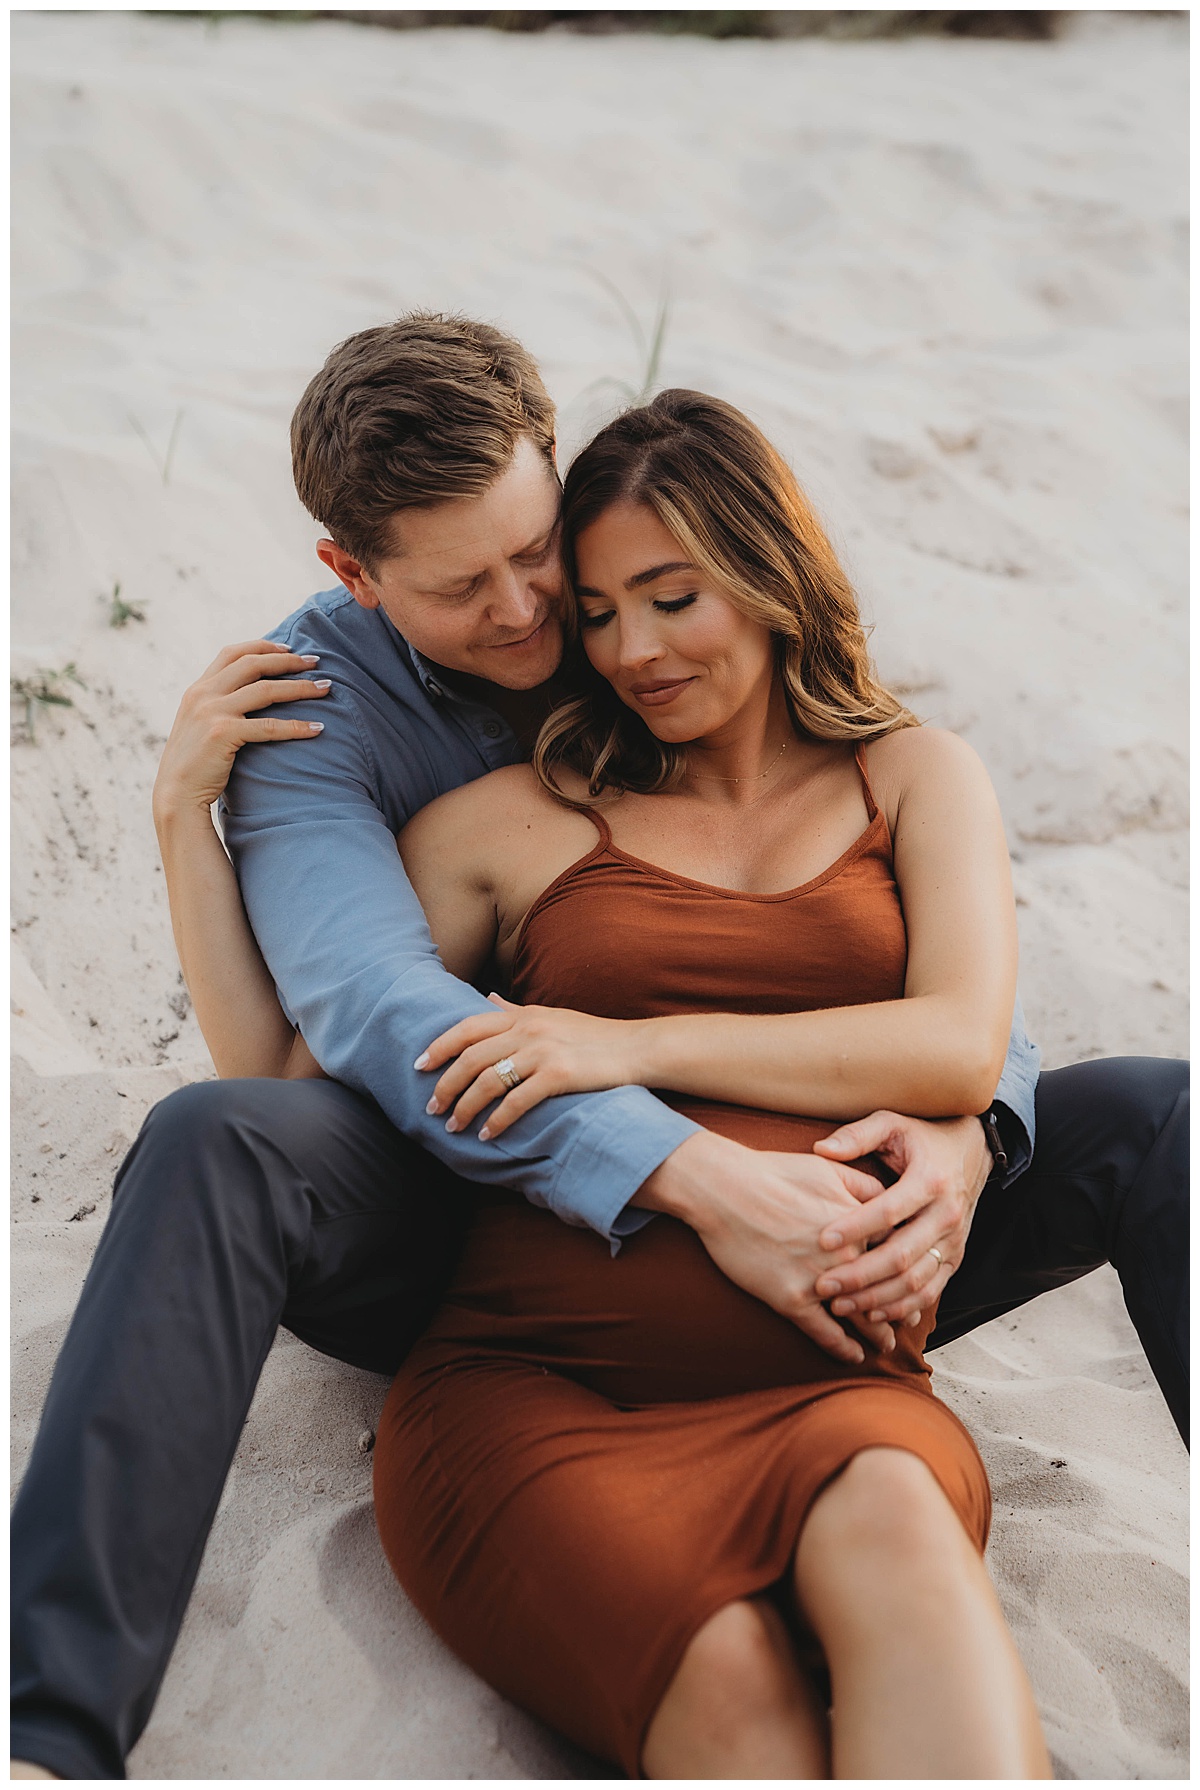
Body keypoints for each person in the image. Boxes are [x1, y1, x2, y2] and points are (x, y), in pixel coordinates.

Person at [10, 316, 1186, 1781]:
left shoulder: (812, 713)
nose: (551, 621)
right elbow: (356, 1028)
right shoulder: (335, 727)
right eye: (466, 587)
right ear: (354, 575)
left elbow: (960, 1006)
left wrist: (968, 1126)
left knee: (1160, 1114)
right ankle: (51, 1736)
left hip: (837, 1281)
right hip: (502, 1242)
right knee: (213, 1136)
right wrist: (184, 826)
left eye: (547, 560)